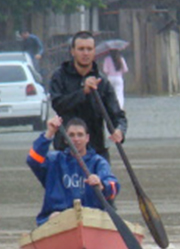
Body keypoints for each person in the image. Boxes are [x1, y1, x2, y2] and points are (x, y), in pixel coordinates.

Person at [27, 116, 120, 226]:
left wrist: (102, 185)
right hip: (58, 217)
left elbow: (114, 186)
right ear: (66, 139)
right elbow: (33, 160)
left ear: (87, 138)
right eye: (71, 135)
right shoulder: (54, 161)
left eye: (80, 135)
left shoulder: (98, 162)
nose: (76, 139)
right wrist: (50, 132)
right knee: (55, 216)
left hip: (91, 218)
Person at [49, 31, 127, 159]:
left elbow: (117, 115)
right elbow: (58, 104)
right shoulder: (60, 76)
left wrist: (120, 130)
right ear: (72, 51)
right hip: (66, 152)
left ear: (94, 51)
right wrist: (83, 92)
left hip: (96, 152)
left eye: (89, 49)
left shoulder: (102, 81)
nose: (85, 53)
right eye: (81, 49)